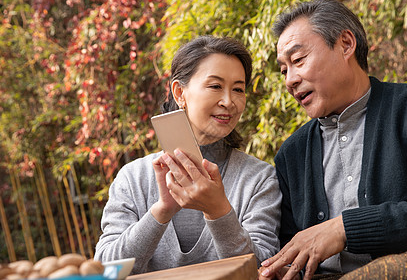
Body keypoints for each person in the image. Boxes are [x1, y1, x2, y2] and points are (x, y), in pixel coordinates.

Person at [258, 0, 407, 280]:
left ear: (346, 44)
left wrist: (344, 229)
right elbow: (290, 244)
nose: (289, 80)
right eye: (284, 69)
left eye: (298, 60)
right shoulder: (292, 154)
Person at [94, 36, 282, 274]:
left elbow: (264, 270)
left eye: (238, 89)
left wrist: (219, 211)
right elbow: (107, 271)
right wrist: (161, 210)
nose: (229, 101)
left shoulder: (259, 179)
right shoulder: (133, 179)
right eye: (215, 86)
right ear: (179, 92)